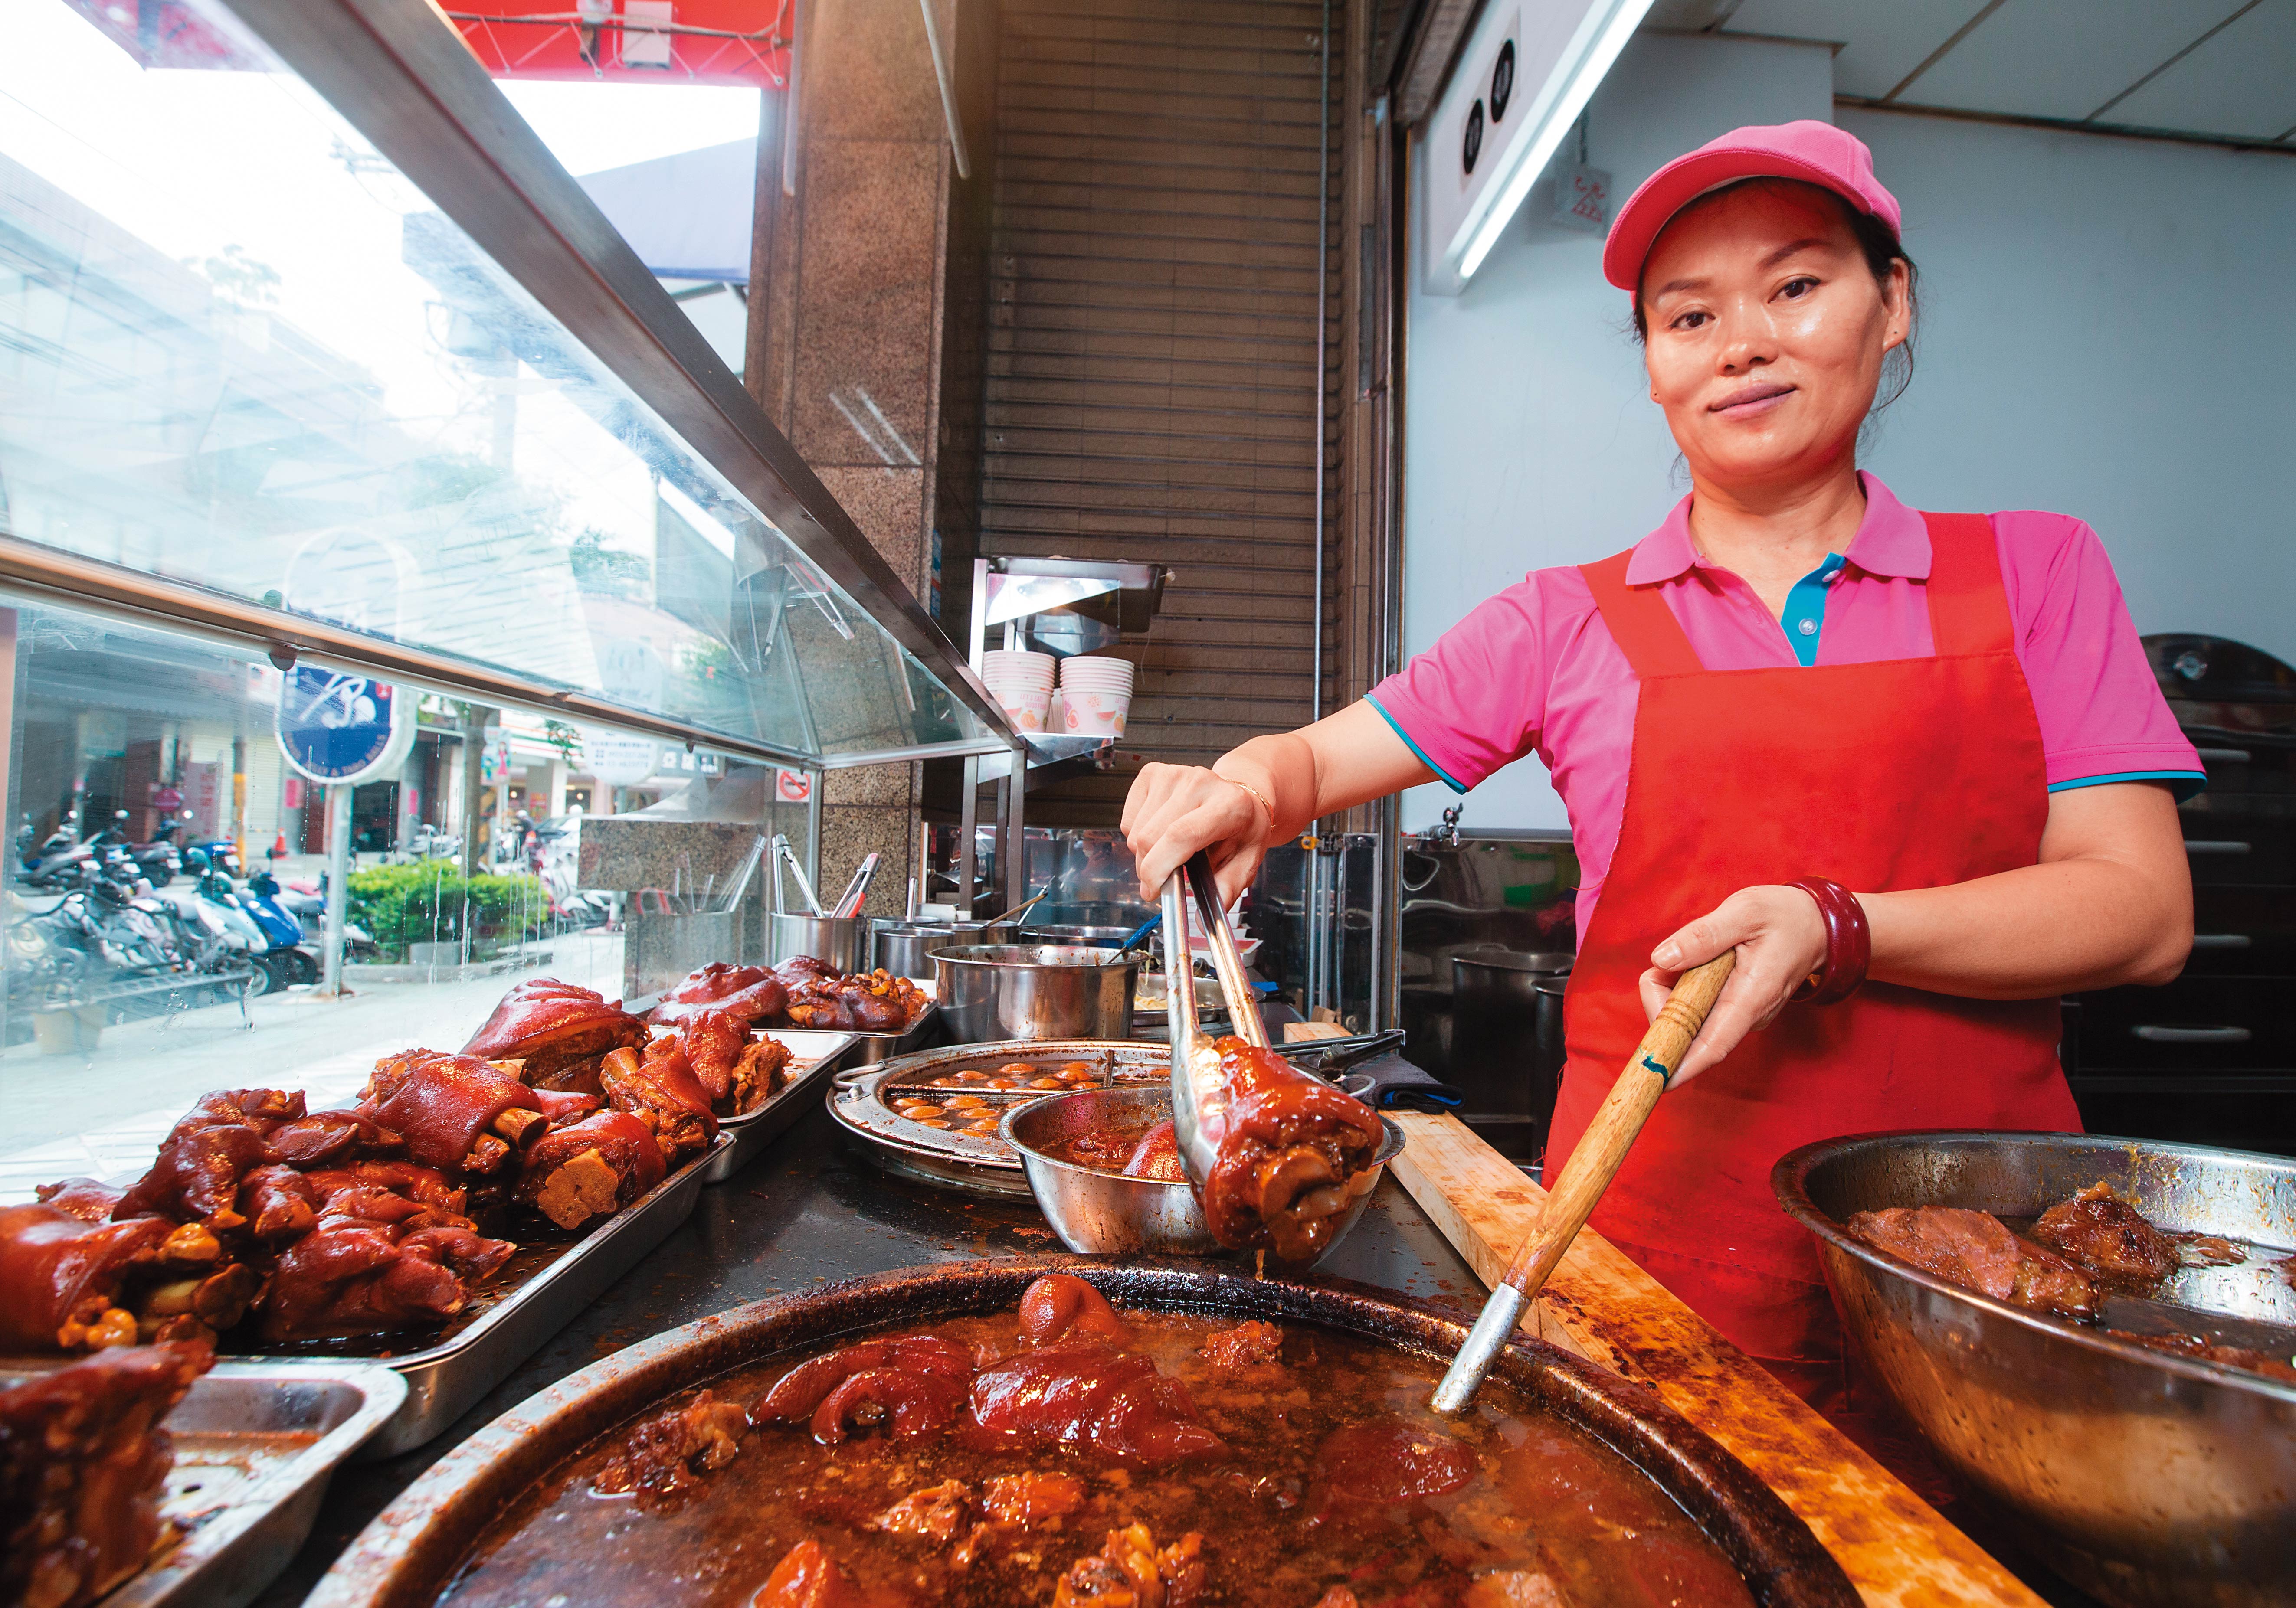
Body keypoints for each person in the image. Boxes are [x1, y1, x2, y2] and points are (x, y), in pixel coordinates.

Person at [1120, 121, 2198, 1404]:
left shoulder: (2035, 572)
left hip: (1979, 1266)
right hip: (1660, 1252)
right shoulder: (1564, 619)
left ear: (1893, 300)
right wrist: (1237, 785)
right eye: (1688, 317)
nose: (1742, 342)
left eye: (1796, 287)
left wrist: (1836, 924)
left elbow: (2142, 912)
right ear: (1651, 367)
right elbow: (1309, 761)